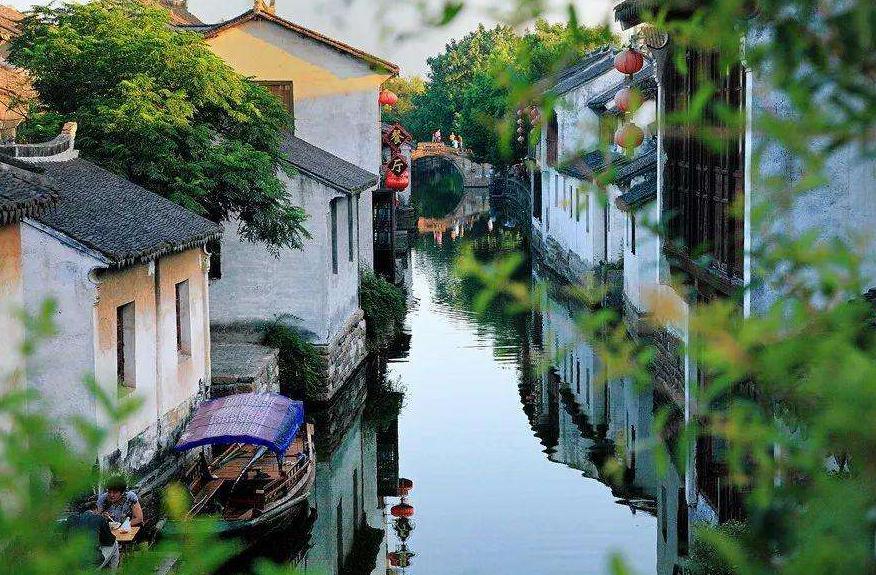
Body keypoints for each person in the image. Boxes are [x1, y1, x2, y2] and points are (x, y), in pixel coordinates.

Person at [65, 500, 120, 569]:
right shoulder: (99, 518)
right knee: (115, 543)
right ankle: (113, 571)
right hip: (89, 564)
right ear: (95, 510)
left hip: (69, 563)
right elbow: (109, 541)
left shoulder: (70, 519)